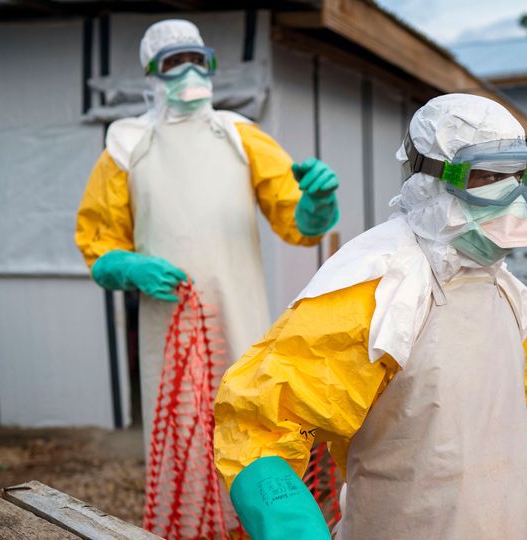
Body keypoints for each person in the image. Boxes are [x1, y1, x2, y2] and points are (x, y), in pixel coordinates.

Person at [214, 93, 527, 539]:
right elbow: (258, 424)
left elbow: (497, 422)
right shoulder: (378, 289)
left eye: (519, 176)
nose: (510, 197)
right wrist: (288, 522)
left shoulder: (515, 301)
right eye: (486, 177)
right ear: (430, 179)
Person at [74, 19, 340, 443]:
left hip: (240, 311)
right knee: (181, 431)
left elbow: (296, 223)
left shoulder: (241, 136)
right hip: (170, 319)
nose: (189, 73)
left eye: (197, 60)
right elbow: (98, 239)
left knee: (247, 419)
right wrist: (126, 266)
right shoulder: (126, 146)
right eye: (173, 62)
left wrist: (317, 203)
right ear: (152, 74)